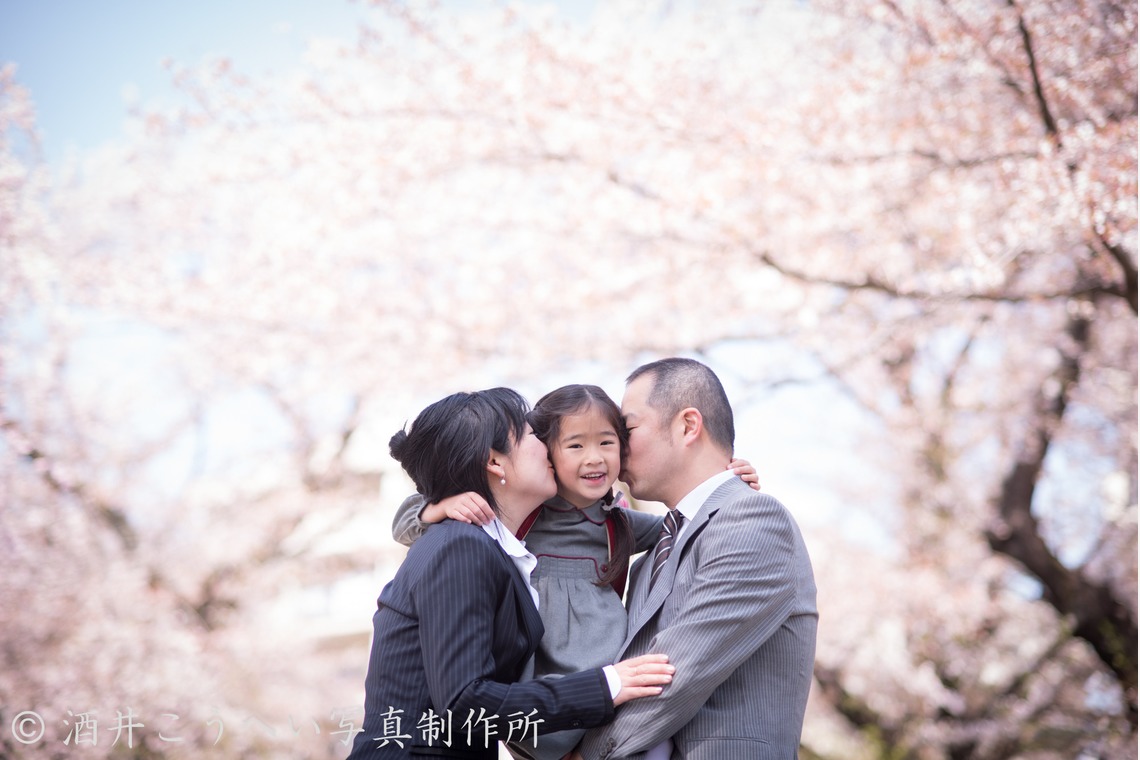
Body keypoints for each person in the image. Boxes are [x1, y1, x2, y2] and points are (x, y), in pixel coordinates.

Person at [392, 384, 761, 760]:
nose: (594, 459)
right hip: (546, 684)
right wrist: (437, 508)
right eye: (574, 446)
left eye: (607, 443)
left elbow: (681, 524)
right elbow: (406, 521)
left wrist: (723, 481)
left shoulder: (616, 523)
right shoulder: (520, 516)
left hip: (605, 686)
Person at [347, 388, 675, 760]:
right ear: (495, 462)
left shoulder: (494, 551)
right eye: (532, 435)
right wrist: (608, 684)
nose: (545, 446)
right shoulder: (460, 544)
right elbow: (464, 703)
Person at [574, 358, 817, 760]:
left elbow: (673, 674)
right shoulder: (651, 555)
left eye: (626, 429)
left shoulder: (753, 520)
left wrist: (584, 755)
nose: (615, 447)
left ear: (688, 425)